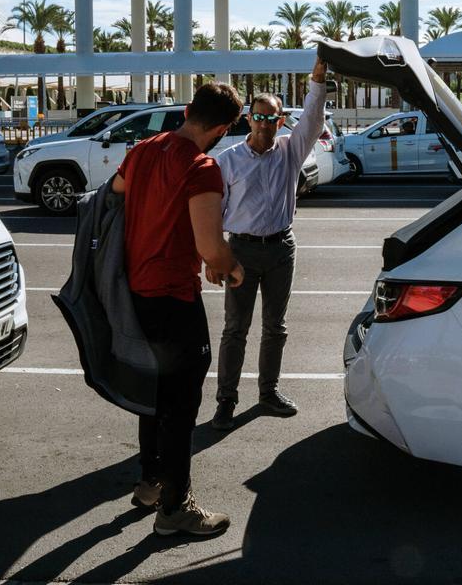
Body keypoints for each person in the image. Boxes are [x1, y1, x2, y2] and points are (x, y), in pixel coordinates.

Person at [111, 82, 244, 537]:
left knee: (153, 394)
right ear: (224, 129)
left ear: (188, 110)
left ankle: (150, 483)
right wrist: (231, 266)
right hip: (173, 297)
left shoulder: (144, 149)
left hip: (136, 294)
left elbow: (116, 192)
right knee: (181, 404)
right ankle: (175, 508)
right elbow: (212, 248)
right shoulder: (201, 166)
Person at [211, 56, 329, 429]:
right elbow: (213, 213)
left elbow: (312, 119)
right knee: (235, 329)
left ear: (280, 121)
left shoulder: (290, 151)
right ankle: (226, 401)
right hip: (240, 251)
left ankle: (268, 393)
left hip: (281, 249)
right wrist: (216, 256)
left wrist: (317, 81)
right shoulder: (227, 161)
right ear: (248, 119)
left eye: (271, 117)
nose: (264, 123)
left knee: (275, 327)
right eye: (258, 117)